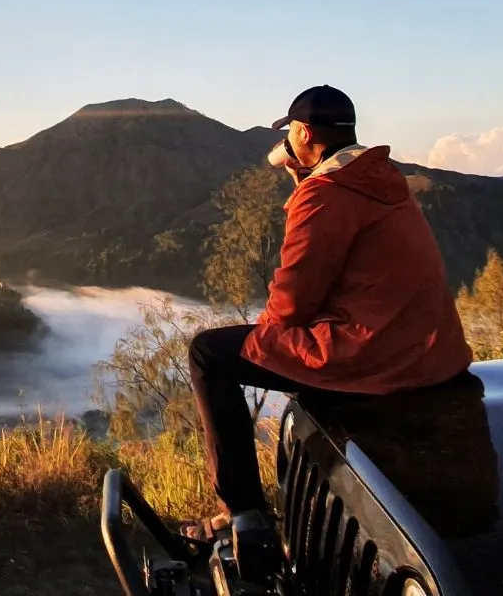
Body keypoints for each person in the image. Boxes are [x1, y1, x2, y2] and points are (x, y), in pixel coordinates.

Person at [185, 85, 474, 577]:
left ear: (302, 132)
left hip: (372, 355)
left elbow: (293, 301)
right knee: (275, 350)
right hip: (431, 352)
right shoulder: (382, 178)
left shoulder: (324, 194)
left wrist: (273, 340)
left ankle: (246, 514)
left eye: (290, 133)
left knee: (209, 353)